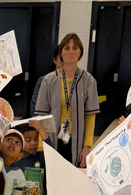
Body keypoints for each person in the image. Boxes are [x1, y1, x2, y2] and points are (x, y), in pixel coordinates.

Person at [34, 34, 99, 168]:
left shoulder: (88, 80)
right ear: (61, 53)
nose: (70, 51)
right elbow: (42, 116)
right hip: (52, 138)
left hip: (77, 140)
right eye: (66, 48)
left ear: (80, 52)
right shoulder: (49, 80)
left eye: (75, 48)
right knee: (52, 178)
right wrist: (41, 145)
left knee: (73, 179)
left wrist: (87, 146)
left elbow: (90, 117)